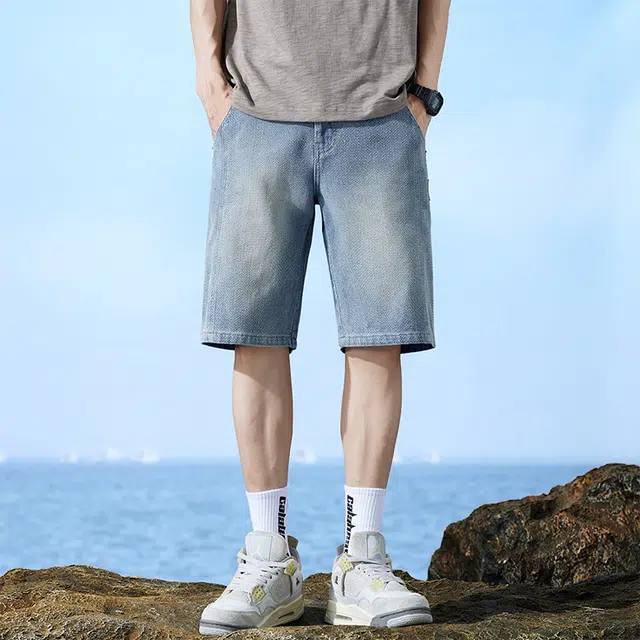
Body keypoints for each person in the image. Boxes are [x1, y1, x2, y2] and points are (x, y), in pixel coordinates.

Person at [190, 0, 450, 634]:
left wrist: (424, 92)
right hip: (256, 114)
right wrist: (210, 82)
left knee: (377, 338)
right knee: (254, 336)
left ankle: (362, 560)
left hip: (382, 119)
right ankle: (268, 558)